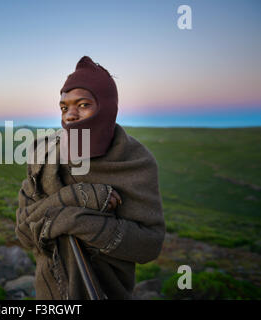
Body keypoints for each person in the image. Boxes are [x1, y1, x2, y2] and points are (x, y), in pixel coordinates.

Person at [15, 56, 165, 299]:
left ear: (106, 107)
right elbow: (24, 229)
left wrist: (76, 220)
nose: (70, 115)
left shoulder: (134, 161)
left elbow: (149, 245)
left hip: (107, 291)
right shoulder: (43, 155)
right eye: (64, 107)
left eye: (83, 105)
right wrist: (76, 197)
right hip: (49, 293)